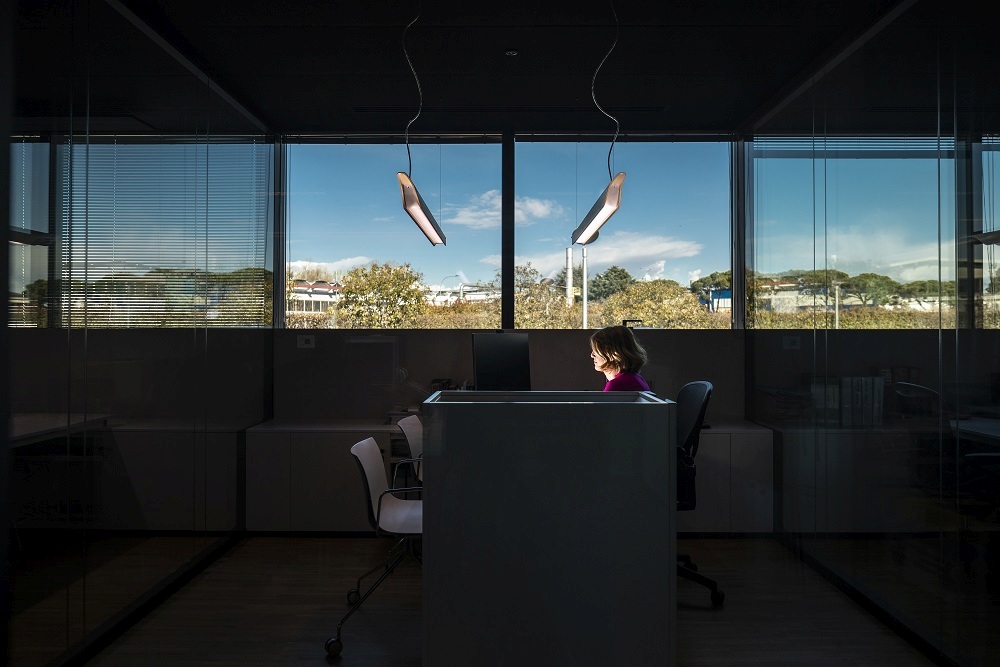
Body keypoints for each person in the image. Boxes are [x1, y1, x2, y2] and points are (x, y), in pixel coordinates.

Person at [590, 325, 651, 392]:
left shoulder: (616, 385)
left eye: (596, 350)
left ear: (612, 353)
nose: (592, 355)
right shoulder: (638, 379)